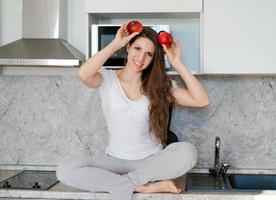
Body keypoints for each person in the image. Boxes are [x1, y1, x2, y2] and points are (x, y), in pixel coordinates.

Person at [56, 21, 209, 200]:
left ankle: (124, 184)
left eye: (149, 54)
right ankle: (145, 187)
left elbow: (201, 100)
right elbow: (83, 74)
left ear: (154, 58)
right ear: (128, 47)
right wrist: (115, 43)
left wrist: (177, 63)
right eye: (137, 48)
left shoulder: (160, 86)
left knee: (188, 151)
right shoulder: (107, 78)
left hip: (151, 162)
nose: (141, 58)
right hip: (114, 162)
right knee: (65, 170)